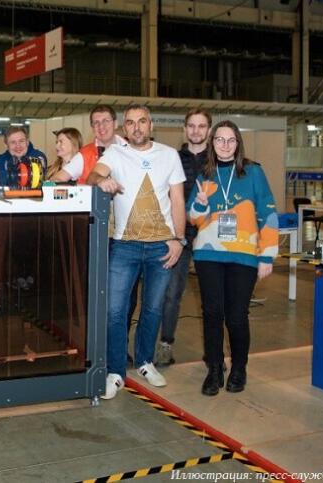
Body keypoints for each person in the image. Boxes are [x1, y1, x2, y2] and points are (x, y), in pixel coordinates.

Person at [88, 105, 186, 400]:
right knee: (115, 311)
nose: (136, 127)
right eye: (130, 123)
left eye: (142, 121)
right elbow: (92, 176)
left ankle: (145, 361)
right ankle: (115, 371)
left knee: (153, 309)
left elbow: (177, 200)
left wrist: (178, 239)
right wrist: (101, 180)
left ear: (151, 125)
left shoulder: (169, 155)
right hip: (124, 246)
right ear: (125, 128)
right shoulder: (115, 153)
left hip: (162, 245)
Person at [188, 120, 278, 396]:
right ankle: (215, 368)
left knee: (237, 316)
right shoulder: (205, 175)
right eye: (219, 140)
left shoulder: (253, 172)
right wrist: (200, 204)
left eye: (230, 140)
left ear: (238, 143)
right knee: (212, 313)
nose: (225, 145)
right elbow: (193, 218)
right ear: (212, 143)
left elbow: (268, 213)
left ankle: (239, 367)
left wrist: (267, 256)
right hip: (208, 254)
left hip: (244, 255)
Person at [154, 108, 212, 367]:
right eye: (192, 126)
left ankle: (213, 352)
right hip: (180, 236)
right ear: (185, 129)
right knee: (171, 294)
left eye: (201, 126)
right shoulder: (172, 159)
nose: (196, 131)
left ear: (209, 130)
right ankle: (165, 344)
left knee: (212, 298)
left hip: (211, 237)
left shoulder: (218, 160)